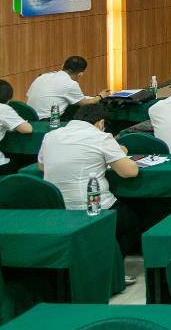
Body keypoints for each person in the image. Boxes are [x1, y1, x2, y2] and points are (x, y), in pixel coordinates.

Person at [39, 104, 140, 278]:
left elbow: (42, 166)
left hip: (57, 208)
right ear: (101, 123)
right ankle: (110, 270)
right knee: (132, 222)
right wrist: (120, 152)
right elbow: (130, 171)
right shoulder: (101, 137)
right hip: (91, 207)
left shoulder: (50, 135)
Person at [26, 55, 109, 116]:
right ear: (80, 74)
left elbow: (28, 95)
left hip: (29, 118)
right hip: (49, 121)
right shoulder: (70, 84)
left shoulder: (43, 76)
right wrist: (100, 96)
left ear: (62, 66)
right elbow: (86, 103)